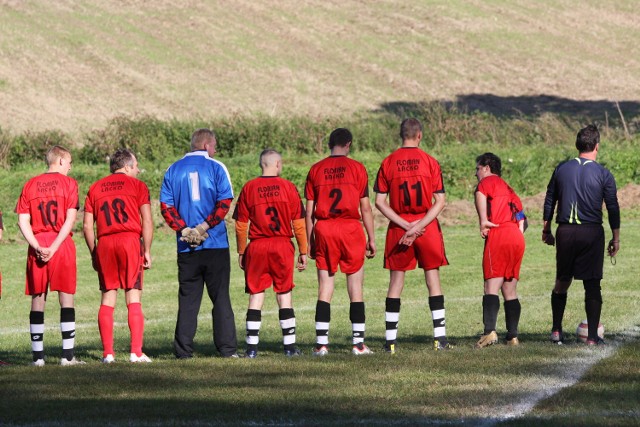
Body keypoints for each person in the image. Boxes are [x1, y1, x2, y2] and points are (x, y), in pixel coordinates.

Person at [374, 118, 451, 353]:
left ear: (401, 135)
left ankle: (390, 342)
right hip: (425, 225)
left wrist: (406, 226)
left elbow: (379, 202)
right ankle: (440, 339)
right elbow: (440, 201)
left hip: (400, 226)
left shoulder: (388, 162)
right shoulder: (429, 161)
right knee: (432, 279)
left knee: (396, 282)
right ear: (419, 135)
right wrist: (418, 226)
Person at [160, 128, 238, 358]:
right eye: (214, 146)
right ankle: (227, 349)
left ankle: (183, 351)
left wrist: (185, 229)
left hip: (186, 246)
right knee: (220, 296)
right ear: (206, 145)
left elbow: (166, 206)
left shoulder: (173, 169)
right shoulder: (217, 167)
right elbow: (224, 202)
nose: (215, 151)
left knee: (188, 298)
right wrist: (203, 227)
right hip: (215, 244)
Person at [542, 124, 620, 346]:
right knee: (592, 284)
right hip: (591, 232)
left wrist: (546, 229)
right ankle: (593, 338)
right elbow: (613, 207)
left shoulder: (561, 169)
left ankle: (556, 331)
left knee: (562, 281)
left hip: (565, 232)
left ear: (578, 145)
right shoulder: (604, 173)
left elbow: (550, 200)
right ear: (597, 146)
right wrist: (616, 238)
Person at [304, 128, 376, 356]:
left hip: (324, 229)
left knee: (325, 287)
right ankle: (358, 345)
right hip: (350, 229)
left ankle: (321, 345)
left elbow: (309, 212)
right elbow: (365, 207)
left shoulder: (316, 169)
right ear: (348, 144)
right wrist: (371, 238)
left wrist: (309, 242)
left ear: (330, 144)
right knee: (355, 288)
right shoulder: (357, 168)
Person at [233, 149, 307, 358]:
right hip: (282, 245)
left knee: (256, 294)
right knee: (284, 294)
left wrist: (241, 250)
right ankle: (290, 348)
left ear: (261, 164)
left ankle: (251, 349)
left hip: (257, 246)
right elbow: (299, 224)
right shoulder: (288, 187)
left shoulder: (249, 188)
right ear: (277, 164)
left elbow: (240, 224)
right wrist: (303, 250)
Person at [15, 145, 84, 366]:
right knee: (66, 297)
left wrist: (36, 245)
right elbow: (70, 219)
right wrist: (54, 247)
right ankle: (67, 356)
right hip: (60, 243)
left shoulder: (30, 184)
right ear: (61, 161)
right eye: (70, 162)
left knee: (38, 299)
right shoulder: (70, 184)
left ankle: (38, 358)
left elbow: (22, 220)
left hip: (38, 242)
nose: (71, 167)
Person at [83, 149, 153, 363]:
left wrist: (94, 252)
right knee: (133, 295)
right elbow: (147, 221)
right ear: (127, 167)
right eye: (136, 166)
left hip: (105, 242)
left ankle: (108, 354)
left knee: (107, 297)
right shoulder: (138, 186)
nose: (138, 170)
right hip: (129, 241)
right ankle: (136, 352)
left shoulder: (95, 187)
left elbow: (87, 226)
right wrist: (147, 250)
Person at [473, 153, 527, 348]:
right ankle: (512, 336)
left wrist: (483, 221)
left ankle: (489, 333)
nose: (476, 174)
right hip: (516, 237)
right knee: (509, 289)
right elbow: (522, 219)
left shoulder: (488, 182)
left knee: (491, 286)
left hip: (500, 233)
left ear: (487, 168)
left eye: (477, 169)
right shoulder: (508, 188)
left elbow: (480, 193)